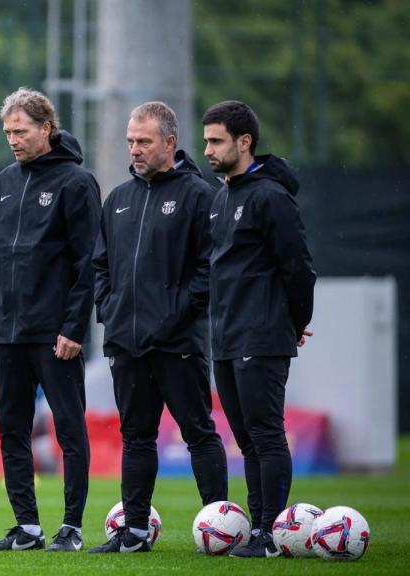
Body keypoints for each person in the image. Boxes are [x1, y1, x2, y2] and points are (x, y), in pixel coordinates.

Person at [89, 102, 228, 554]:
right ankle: (133, 533)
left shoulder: (198, 195)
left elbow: (210, 270)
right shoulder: (119, 199)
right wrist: (109, 309)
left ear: (170, 142)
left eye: (144, 141)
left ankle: (221, 528)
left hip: (177, 343)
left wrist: (172, 316)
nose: (135, 149)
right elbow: (100, 265)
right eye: (131, 141)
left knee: (198, 433)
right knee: (135, 437)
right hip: (126, 344)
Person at [0, 87, 101, 552]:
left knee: (69, 429)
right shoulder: (4, 182)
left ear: (46, 128)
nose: (13, 139)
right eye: (8, 132)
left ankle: (71, 527)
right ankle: (27, 528)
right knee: (12, 430)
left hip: (55, 336)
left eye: (21, 131)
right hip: (8, 333)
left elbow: (89, 263)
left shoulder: (76, 182)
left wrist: (73, 327)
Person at [201, 100, 316, 558]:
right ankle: (257, 531)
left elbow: (299, 268)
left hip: (261, 335)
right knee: (246, 438)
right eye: (206, 139)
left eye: (216, 140)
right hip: (226, 337)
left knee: (266, 433)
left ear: (244, 142)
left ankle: (271, 533)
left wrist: (294, 321)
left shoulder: (270, 197)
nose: (207, 149)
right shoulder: (221, 196)